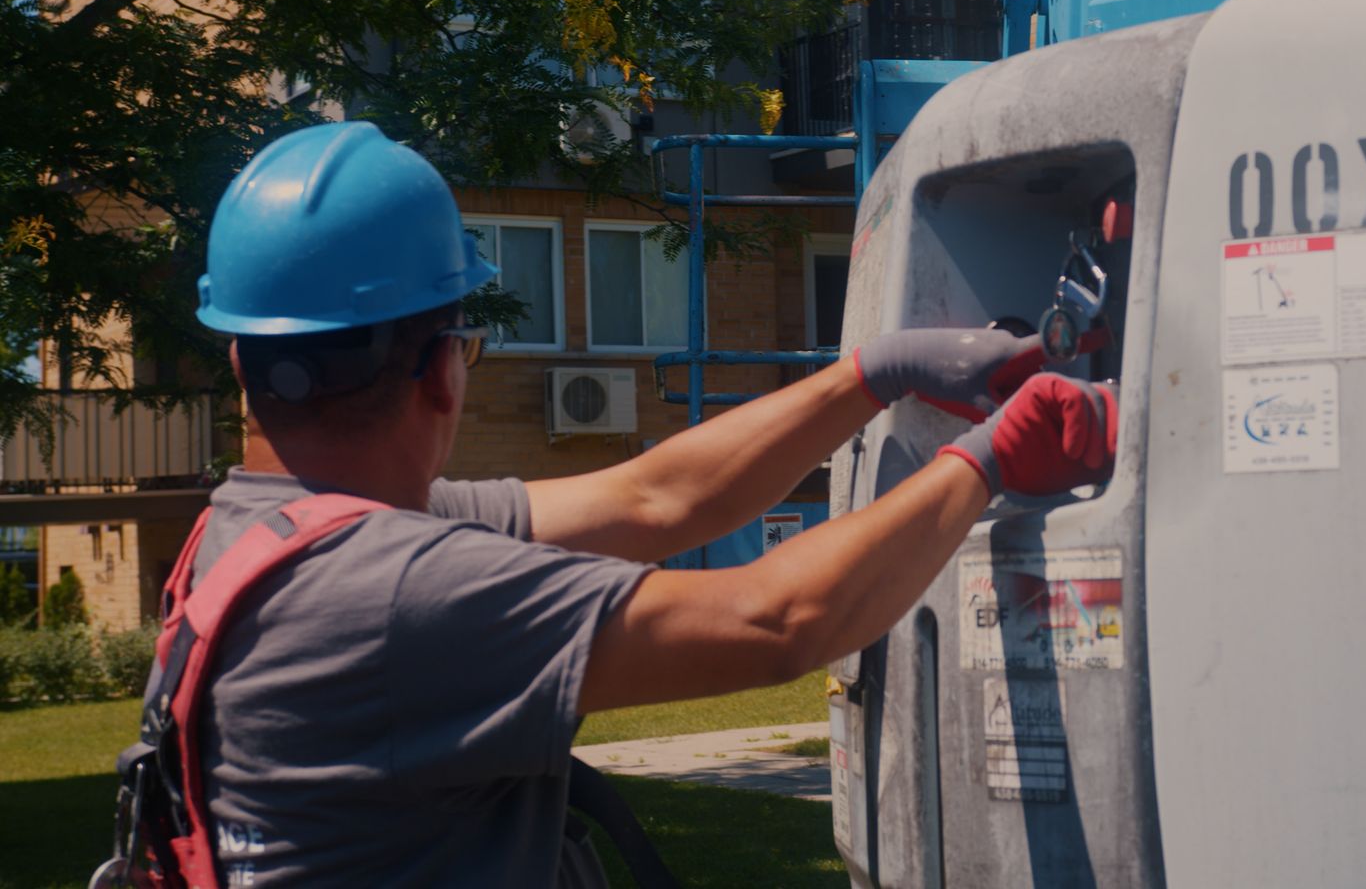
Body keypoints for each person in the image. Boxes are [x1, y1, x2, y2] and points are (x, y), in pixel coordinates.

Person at [154, 121, 1116, 884]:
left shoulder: (262, 538)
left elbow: (656, 500)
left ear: (242, 361)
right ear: (444, 372)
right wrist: (988, 459)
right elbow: (780, 619)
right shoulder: (396, 593)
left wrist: (874, 372)